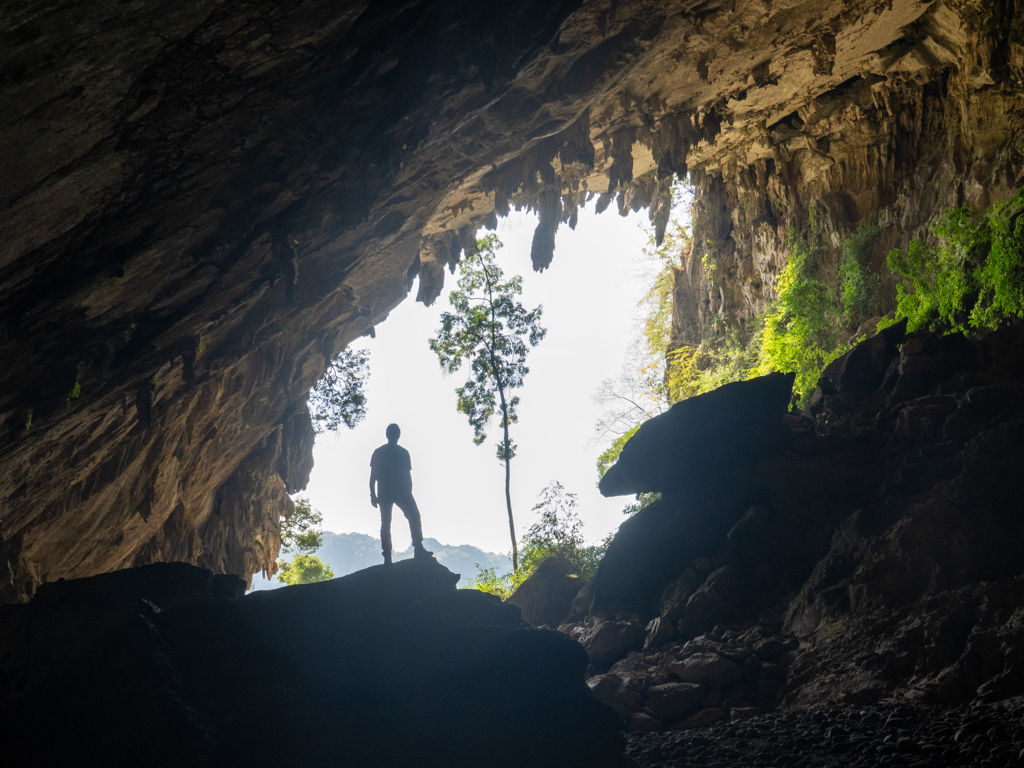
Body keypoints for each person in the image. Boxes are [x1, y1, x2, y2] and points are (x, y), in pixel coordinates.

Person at [369, 423, 431, 564]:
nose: (395, 436)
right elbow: (373, 476)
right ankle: (391, 555)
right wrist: (372, 494)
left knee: (397, 520)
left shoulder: (393, 452)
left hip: (393, 491)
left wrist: (373, 494)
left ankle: (412, 549)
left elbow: (374, 476)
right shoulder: (396, 452)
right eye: (394, 433)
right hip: (395, 491)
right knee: (391, 521)